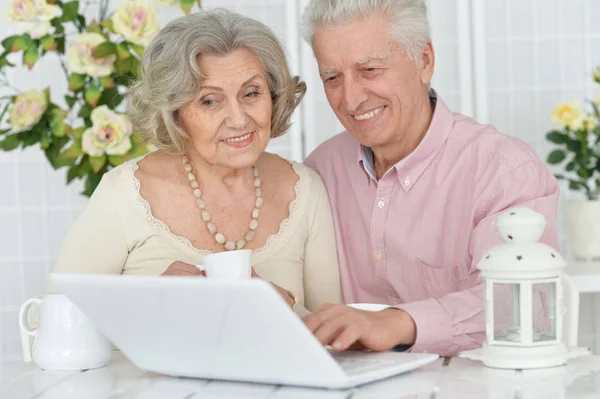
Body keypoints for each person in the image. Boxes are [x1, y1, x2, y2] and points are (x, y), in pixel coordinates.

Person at [301, 0, 560, 355]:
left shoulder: (505, 172)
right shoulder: (321, 169)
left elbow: (520, 306)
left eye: (370, 70)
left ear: (424, 61)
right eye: (332, 78)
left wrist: (398, 323)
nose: (351, 99)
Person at [48, 9, 343, 315]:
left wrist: (285, 309)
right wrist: (149, 301)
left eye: (251, 93)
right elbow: (54, 322)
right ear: (174, 112)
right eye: (210, 101)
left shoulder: (305, 189)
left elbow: (335, 332)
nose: (239, 119)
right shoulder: (124, 193)